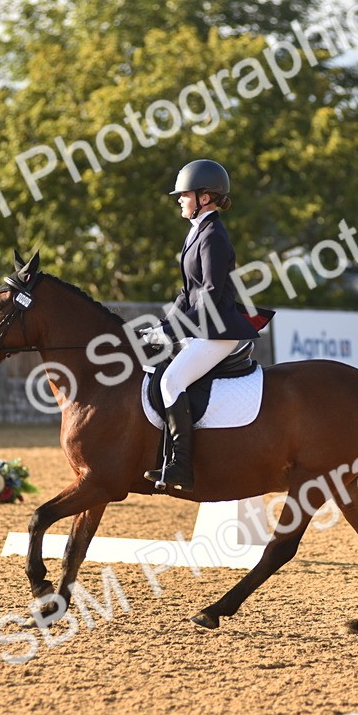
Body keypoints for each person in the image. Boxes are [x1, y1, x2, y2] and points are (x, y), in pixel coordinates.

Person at [142, 159, 261, 491]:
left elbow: (208, 294)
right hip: (202, 327)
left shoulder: (213, 237)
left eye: (185, 194)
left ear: (205, 197)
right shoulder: (198, 232)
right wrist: (162, 327)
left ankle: (180, 467)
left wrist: (172, 331)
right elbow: (187, 293)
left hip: (219, 331)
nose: (179, 199)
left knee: (171, 381)